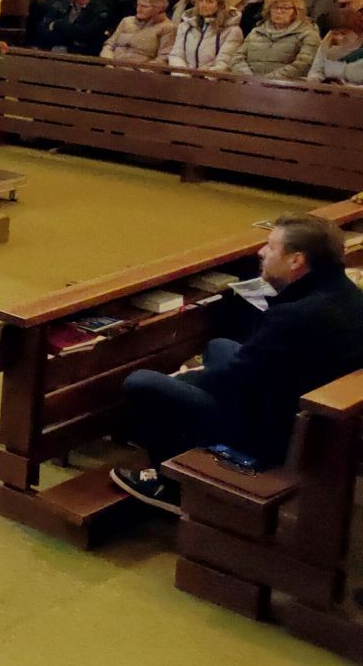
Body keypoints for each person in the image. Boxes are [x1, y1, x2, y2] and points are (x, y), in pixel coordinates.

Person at [112, 216, 363, 511]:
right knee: (219, 347)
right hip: (305, 409)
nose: (261, 253)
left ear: (296, 260)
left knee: (143, 383)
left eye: (271, 247)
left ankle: (172, 488)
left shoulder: (296, 316)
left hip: (274, 435)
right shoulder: (347, 295)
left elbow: (236, 381)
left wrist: (186, 379)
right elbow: (255, 367)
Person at [228, 0, 319, 79]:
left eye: (285, 8)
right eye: (275, 8)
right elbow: (237, 58)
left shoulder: (307, 33)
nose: (279, 12)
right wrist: (249, 77)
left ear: (296, 11)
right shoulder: (257, 31)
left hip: (286, 89)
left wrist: (268, 80)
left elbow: (303, 64)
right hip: (249, 84)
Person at [33, 0, 113, 55]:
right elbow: (41, 29)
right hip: (52, 51)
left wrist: (57, 25)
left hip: (81, 57)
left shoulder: (100, 11)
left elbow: (86, 35)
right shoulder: (62, 4)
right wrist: (71, 34)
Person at [169, 0, 243, 71]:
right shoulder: (185, 26)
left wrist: (203, 78)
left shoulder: (232, 31)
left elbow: (224, 62)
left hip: (212, 80)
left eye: (209, 2)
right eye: (201, 0)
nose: (203, 5)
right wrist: (183, 76)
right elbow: (176, 55)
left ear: (221, 6)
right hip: (185, 78)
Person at [103, 0, 175, 66]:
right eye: (138, 5)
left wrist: (139, 73)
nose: (138, 9)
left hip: (140, 74)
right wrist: (109, 63)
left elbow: (163, 59)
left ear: (159, 9)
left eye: (144, 6)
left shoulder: (168, 28)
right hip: (111, 69)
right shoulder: (127, 21)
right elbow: (109, 45)